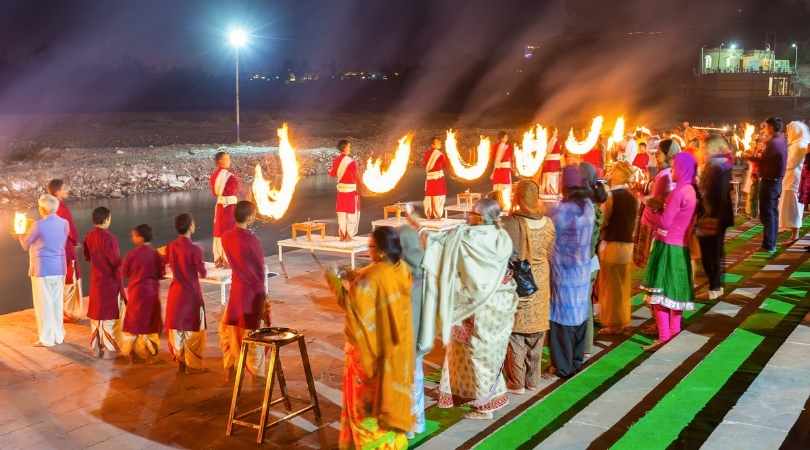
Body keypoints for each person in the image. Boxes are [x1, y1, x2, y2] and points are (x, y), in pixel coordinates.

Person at [424, 199, 517, 419]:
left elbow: (438, 245)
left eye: (473, 214)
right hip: (499, 303)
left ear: (483, 217)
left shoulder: (469, 238)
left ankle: (484, 406)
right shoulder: (501, 236)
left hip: (476, 307)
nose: (468, 217)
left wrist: (419, 228)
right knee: (487, 354)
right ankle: (492, 394)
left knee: (478, 354)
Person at [325, 226, 413, 449]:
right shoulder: (401, 269)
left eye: (371, 247)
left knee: (365, 409)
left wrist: (334, 280)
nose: (368, 251)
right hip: (396, 351)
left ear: (382, 250)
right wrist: (354, 275)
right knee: (389, 401)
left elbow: (352, 307)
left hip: (368, 353)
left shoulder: (370, 278)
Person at [501, 180, 555, 393]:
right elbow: (550, 251)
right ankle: (533, 380)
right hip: (541, 280)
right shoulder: (549, 223)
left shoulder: (512, 223)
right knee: (537, 332)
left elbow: (506, 254)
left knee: (517, 333)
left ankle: (517, 381)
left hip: (521, 281)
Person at [642, 152, 698, 348]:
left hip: (666, 247)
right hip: (682, 247)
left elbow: (665, 222)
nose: (671, 172)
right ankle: (674, 334)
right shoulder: (691, 190)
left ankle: (664, 336)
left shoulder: (678, 192)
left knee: (659, 298)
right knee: (674, 295)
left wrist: (650, 211)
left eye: (674, 168)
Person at [548, 167, 596, 378]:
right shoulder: (588, 207)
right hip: (582, 271)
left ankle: (563, 366)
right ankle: (576, 361)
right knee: (579, 316)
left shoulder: (560, 211)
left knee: (562, 319)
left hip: (563, 274)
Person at [219, 201, 269, 380]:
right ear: (249, 218)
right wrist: (263, 295)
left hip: (236, 291)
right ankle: (257, 376)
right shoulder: (252, 240)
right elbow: (259, 269)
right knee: (253, 336)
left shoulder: (226, 237)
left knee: (232, 332)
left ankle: (230, 368)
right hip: (252, 293)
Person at [18, 194, 68, 347]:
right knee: (56, 303)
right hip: (59, 267)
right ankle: (59, 335)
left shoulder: (38, 225)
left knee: (43, 305)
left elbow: (25, 245)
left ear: (42, 209)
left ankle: (46, 338)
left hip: (42, 269)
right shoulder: (64, 223)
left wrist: (20, 234)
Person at [597, 162, 639, 334]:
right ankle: (623, 319)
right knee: (623, 284)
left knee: (610, 285)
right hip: (628, 243)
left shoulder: (611, 196)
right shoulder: (632, 196)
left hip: (613, 242)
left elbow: (603, 220)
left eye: (613, 171)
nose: (610, 174)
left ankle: (612, 323)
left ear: (620, 175)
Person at [165, 213, 208, 373]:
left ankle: (181, 362)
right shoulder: (195, 249)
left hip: (176, 292)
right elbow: (202, 273)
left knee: (178, 329)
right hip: (191, 294)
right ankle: (193, 364)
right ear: (190, 226)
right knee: (193, 331)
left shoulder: (171, 246)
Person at [397, 213, 427, 438]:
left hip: (401, 339)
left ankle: (404, 426)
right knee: (416, 379)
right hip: (420, 338)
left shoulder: (398, 274)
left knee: (402, 383)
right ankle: (416, 423)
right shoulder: (425, 270)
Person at [698, 136, 735, 300]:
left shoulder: (715, 166)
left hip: (712, 215)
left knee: (710, 253)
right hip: (720, 215)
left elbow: (715, 194)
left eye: (704, 148)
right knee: (717, 251)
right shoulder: (723, 164)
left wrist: (709, 214)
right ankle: (717, 286)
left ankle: (714, 287)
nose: (702, 151)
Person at [83, 206, 124, 358]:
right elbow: (115, 262)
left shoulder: (89, 236)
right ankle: (108, 350)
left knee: (96, 315)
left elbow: (87, 256)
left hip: (96, 279)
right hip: (109, 281)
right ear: (106, 219)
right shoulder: (110, 238)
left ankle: (95, 348)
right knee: (108, 316)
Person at [121, 224, 164, 363]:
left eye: (134, 235)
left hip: (136, 292)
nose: (132, 237)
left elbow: (125, 273)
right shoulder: (155, 254)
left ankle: (133, 353)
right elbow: (160, 273)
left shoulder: (132, 254)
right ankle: (150, 353)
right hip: (151, 293)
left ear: (140, 237)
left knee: (134, 323)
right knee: (151, 324)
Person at [634, 139, 680, 268]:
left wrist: (639, 194)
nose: (656, 156)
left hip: (654, 224)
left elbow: (656, 203)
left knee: (654, 265)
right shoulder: (668, 172)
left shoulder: (665, 175)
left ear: (668, 155)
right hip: (658, 222)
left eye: (659, 153)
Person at [47, 179, 84, 321]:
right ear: (57, 192)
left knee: (62, 278)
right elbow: (70, 229)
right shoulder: (61, 207)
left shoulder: (49, 208)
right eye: (64, 188)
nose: (67, 190)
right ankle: (70, 312)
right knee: (70, 278)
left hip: (55, 248)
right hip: (66, 248)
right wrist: (75, 241)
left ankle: (62, 311)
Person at [756, 117, 787, 252]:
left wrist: (749, 157)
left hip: (770, 182)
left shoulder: (774, 143)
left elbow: (763, 162)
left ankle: (769, 244)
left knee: (767, 214)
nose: (765, 130)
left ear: (772, 128)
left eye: (767, 127)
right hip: (775, 182)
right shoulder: (781, 140)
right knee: (772, 213)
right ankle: (770, 243)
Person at [779, 121, 810, 240]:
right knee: (789, 207)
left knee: (794, 207)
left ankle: (794, 235)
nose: (788, 134)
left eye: (789, 131)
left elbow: (791, 163)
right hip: (791, 179)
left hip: (794, 180)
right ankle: (790, 229)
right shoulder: (796, 143)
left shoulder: (799, 144)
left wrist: (780, 162)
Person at [211, 150, 240, 266]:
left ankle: (219, 259)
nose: (229, 161)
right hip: (229, 208)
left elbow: (216, 192)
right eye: (227, 159)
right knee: (229, 232)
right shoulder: (229, 177)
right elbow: (232, 190)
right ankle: (228, 259)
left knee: (219, 232)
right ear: (220, 161)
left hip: (219, 207)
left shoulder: (214, 176)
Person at [329, 139, 360, 241]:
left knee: (341, 213)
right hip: (351, 191)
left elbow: (332, 174)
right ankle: (349, 236)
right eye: (349, 147)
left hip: (341, 191)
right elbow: (356, 176)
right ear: (345, 147)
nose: (350, 148)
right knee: (352, 214)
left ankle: (342, 235)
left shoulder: (336, 160)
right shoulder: (351, 162)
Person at [423, 136, 447, 219]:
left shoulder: (426, 154)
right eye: (438, 142)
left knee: (430, 196)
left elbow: (425, 165)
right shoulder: (440, 154)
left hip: (429, 178)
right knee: (438, 195)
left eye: (440, 142)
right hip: (438, 178)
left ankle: (429, 214)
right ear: (432, 144)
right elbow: (445, 164)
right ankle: (438, 215)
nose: (440, 143)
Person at [491, 131, 515, 209]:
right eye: (505, 137)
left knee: (501, 186)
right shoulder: (499, 146)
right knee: (502, 186)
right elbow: (495, 158)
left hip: (503, 169)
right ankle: (502, 203)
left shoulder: (507, 146)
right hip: (502, 169)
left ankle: (501, 203)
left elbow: (510, 158)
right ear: (501, 138)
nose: (507, 138)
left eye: (507, 137)